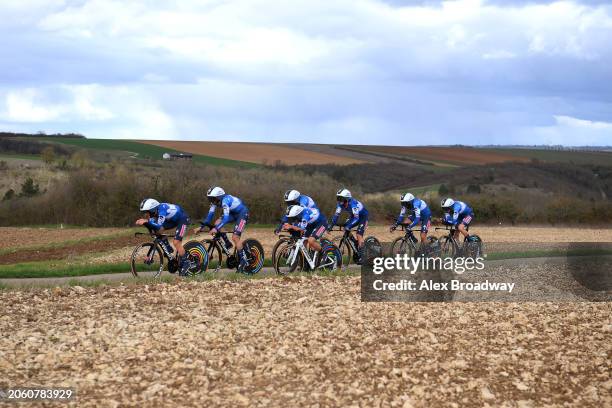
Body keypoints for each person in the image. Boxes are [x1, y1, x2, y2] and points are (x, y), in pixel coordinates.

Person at [194, 187, 250, 271]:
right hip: (233, 213)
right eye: (210, 199)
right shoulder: (215, 202)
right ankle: (227, 243)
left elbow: (226, 218)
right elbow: (209, 217)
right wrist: (201, 227)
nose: (211, 201)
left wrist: (216, 229)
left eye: (212, 198)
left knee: (235, 237)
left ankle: (243, 260)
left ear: (218, 197)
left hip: (242, 213)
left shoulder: (225, 201)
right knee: (217, 223)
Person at [135, 198, 192, 275]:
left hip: (182, 219)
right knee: (157, 232)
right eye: (144, 213)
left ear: (152, 209)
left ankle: (187, 262)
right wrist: (149, 255)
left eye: (147, 212)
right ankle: (168, 249)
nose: (146, 215)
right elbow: (154, 231)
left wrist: (146, 222)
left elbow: (158, 226)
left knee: (176, 242)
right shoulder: (153, 214)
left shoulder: (162, 209)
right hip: (172, 221)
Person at [329, 188, 368, 262]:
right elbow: (336, 216)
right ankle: (355, 243)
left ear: (346, 199)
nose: (339, 200)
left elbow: (357, 219)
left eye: (340, 198)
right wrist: (331, 225)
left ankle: (363, 256)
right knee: (345, 227)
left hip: (362, 217)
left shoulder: (353, 204)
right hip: (354, 216)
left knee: (359, 235)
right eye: (338, 198)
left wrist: (348, 226)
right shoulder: (340, 204)